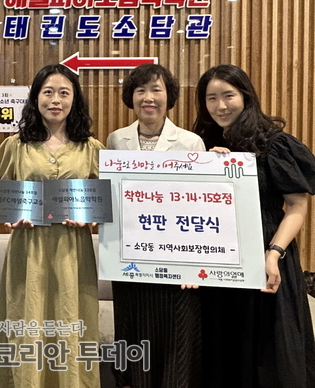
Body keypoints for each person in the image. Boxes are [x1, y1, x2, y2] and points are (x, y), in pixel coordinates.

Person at [193, 64, 315, 388]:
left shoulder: (273, 143)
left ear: (246, 97)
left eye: (228, 96)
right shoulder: (201, 145)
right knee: (223, 351)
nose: (220, 106)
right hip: (219, 261)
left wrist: (274, 253)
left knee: (269, 355)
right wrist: (209, 166)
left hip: (266, 257)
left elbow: (297, 206)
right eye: (211, 98)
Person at [0, 64, 104, 388]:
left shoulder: (92, 148)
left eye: (64, 93)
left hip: (74, 249)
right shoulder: (15, 146)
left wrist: (92, 217)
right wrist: (9, 216)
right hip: (28, 249)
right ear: (35, 98)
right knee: (26, 320)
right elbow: (2, 195)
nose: (56, 100)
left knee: (73, 320)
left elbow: (103, 200)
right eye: (48, 92)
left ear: (75, 100)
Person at [106, 63, 205, 388]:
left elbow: (202, 206)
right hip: (131, 259)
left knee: (176, 341)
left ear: (169, 96)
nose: (148, 97)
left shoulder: (191, 143)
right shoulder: (116, 139)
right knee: (133, 336)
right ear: (131, 97)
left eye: (156, 90)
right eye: (140, 90)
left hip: (177, 261)